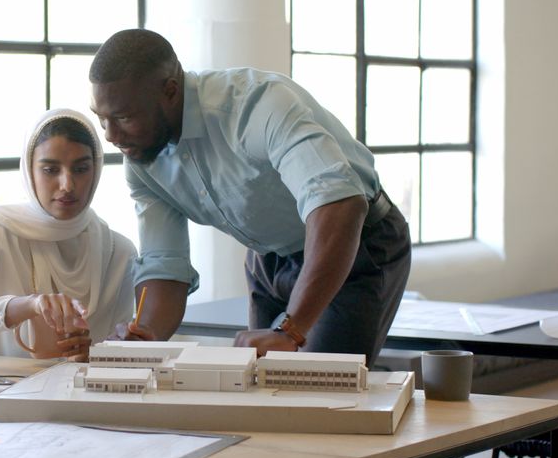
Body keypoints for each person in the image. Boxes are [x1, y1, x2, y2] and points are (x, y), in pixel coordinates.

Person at [88, 28, 411, 367]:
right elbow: (165, 264)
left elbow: (340, 204)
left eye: (124, 117)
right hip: (268, 259)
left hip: (354, 242)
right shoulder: (141, 159)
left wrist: (291, 330)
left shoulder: (256, 105)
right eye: (101, 118)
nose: (110, 135)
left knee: (316, 389)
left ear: (170, 90)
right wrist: (147, 336)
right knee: (257, 384)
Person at [0, 108, 137, 360]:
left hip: (72, 383)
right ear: (28, 170)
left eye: (81, 169)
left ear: (96, 170)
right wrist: (30, 305)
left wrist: (97, 353)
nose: (67, 185)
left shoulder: (118, 252)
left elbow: (114, 351)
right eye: (50, 170)